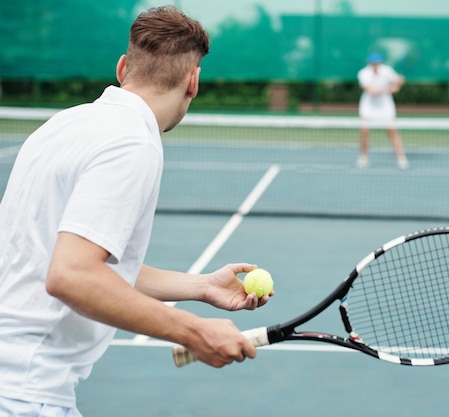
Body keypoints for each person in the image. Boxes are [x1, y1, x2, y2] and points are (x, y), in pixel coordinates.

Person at [0, 6, 273, 416]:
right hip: (26, 392)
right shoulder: (132, 145)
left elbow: (60, 258)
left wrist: (200, 287)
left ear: (123, 66)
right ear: (193, 81)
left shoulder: (62, 125)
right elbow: (71, 275)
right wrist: (195, 331)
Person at [356, 52, 409, 169]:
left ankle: (401, 158)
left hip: (385, 106)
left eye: (377, 62)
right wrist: (390, 89)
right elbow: (371, 91)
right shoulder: (363, 73)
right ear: (369, 63)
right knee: (364, 131)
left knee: (392, 131)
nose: (375, 64)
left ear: (380, 62)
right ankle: (363, 156)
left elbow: (397, 84)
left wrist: (399, 82)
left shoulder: (387, 70)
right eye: (373, 62)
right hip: (368, 105)